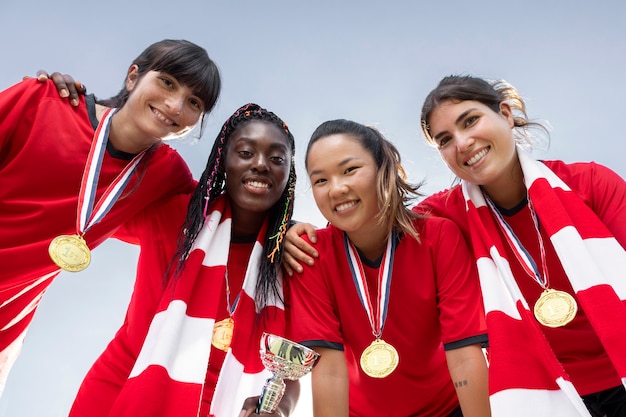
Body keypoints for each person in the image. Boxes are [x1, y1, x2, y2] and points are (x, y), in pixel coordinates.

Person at [285, 76, 626, 417]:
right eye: (445, 139)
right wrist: (289, 231)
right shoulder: (443, 216)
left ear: (505, 114)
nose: (463, 144)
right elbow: (380, 219)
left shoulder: (591, 185)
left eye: (470, 121)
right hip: (539, 396)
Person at [0, 38, 221, 395]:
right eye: (166, 82)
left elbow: (227, 213)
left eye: (194, 102)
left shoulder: (166, 175)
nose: (175, 104)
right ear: (134, 76)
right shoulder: (40, 101)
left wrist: (286, 228)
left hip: (7, 322)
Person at [68, 103, 300, 417]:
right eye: (245, 152)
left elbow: (295, 359)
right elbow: (89, 189)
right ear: (223, 161)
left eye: (276, 159)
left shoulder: (295, 256)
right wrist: (73, 104)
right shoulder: (175, 214)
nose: (260, 165)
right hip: (121, 391)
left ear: (290, 173)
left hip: (224, 408)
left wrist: (280, 409)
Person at [288, 119, 489, 417]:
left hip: (449, 408)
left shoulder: (439, 238)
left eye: (349, 170)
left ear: (385, 168)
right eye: (320, 180)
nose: (336, 189)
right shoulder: (311, 255)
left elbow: (463, 355)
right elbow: (329, 372)